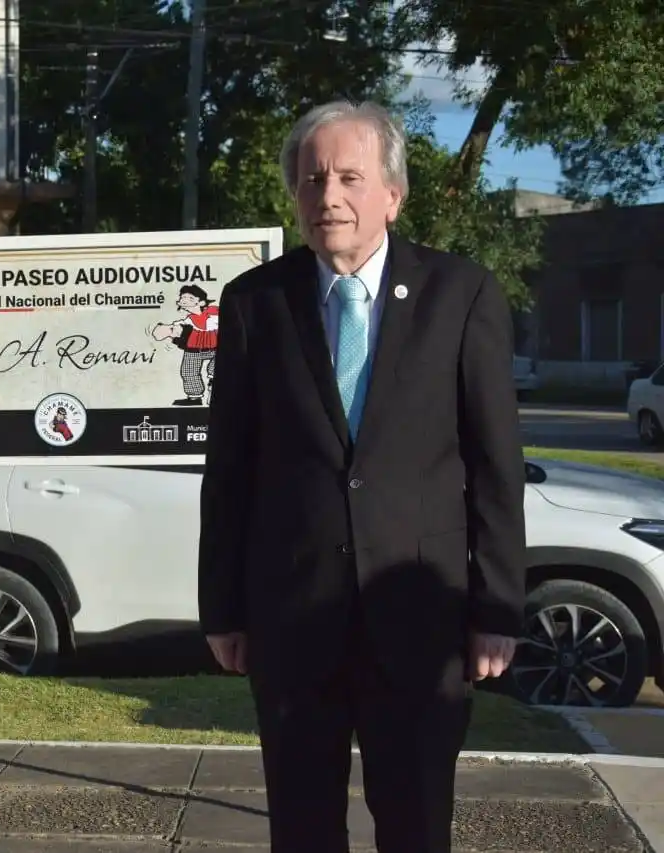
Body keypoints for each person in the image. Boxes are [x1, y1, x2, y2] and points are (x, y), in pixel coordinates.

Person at [197, 100, 526, 852]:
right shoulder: (254, 303)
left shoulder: (462, 294)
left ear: (392, 195)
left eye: (349, 177)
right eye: (312, 180)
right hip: (292, 619)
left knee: (416, 826)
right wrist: (223, 607)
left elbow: (494, 465)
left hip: (420, 622)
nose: (328, 196)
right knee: (302, 828)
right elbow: (231, 468)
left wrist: (498, 608)